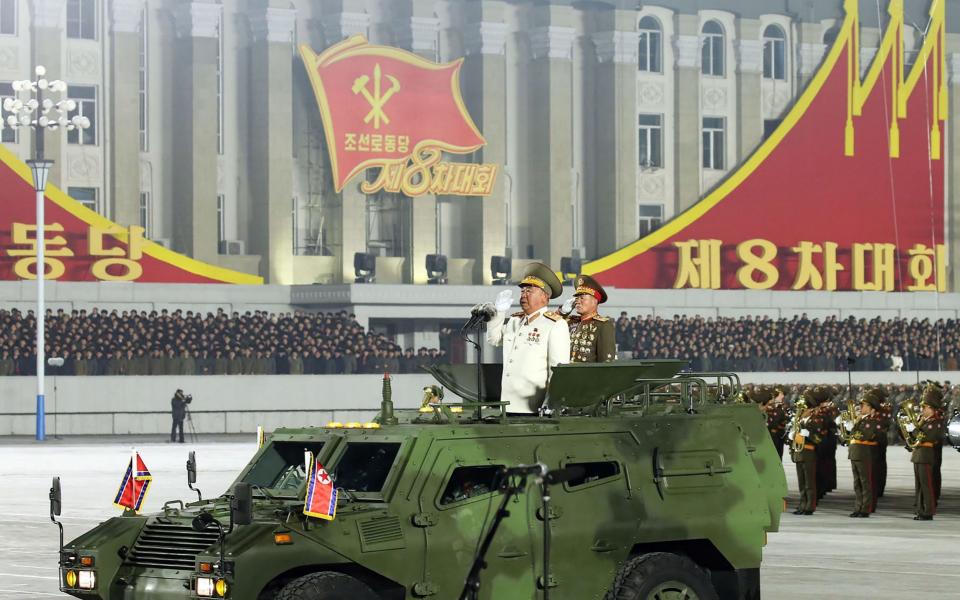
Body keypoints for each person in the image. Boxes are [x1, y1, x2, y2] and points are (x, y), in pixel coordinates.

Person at [486, 262, 570, 414]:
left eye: (529, 290)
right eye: (522, 291)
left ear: (545, 296)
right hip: (507, 405)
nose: (523, 294)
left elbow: (559, 372)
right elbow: (494, 339)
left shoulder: (555, 325)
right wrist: (498, 313)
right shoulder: (515, 321)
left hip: (534, 408)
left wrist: (551, 403)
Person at [845, 389, 884, 517]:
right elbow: (848, 437)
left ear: (872, 408)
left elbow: (865, 435)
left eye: (865, 405)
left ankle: (865, 508)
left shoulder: (872, 421)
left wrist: (853, 428)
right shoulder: (860, 419)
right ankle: (858, 507)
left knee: (865, 482)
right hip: (855, 453)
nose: (861, 407)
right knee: (857, 483)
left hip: (863, 454)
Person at [561, 275, 616, 363]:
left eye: (582, 298)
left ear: (594, 301)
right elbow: (548, 326)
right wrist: (562, 312)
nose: (577, 301)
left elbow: (606, 363)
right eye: (577, 298)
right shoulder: (570, 321)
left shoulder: (603, 325)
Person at [911, 384, 946, 520]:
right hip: (918, 455)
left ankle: (929, 511)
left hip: (926, 455)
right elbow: (914, 437)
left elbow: (926, 437)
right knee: (919, 485)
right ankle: (920, 509)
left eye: (924, 407)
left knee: (927, 485)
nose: (922, 410)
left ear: (931, 409)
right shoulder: (924, 420)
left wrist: (914, 429)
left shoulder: (935, 422)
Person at [790, 388, 825, 515]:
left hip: (809, 453)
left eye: (803, 409)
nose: (800, 411)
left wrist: (808, 434)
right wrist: (792, 436)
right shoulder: (798, 422)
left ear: (809, 410)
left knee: (809, 482)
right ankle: (802, 504)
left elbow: (818, 438)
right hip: (799, 453)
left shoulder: (815, 421)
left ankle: (810, 506)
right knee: (802, 482)